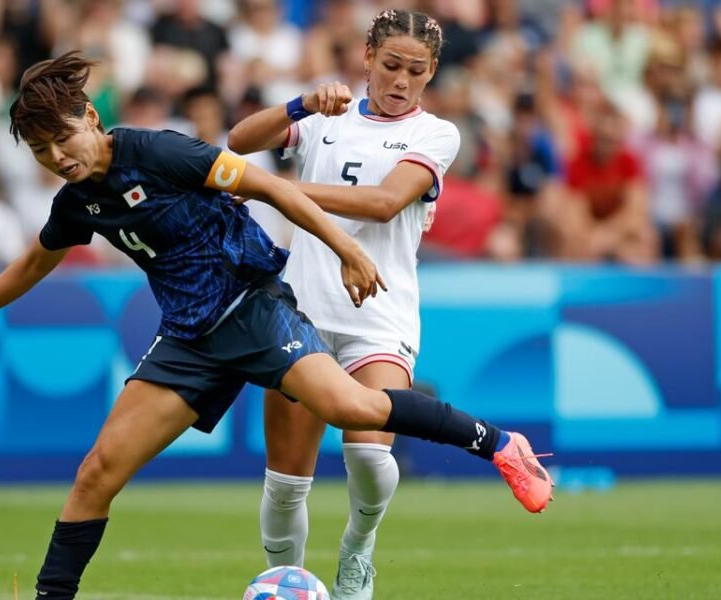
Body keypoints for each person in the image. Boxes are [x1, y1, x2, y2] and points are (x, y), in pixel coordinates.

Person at [0, 51, 552, 600]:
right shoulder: (78, 199)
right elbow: (35, 260)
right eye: (40, 149)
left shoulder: (158, 152)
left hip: (255, 308)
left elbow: (271, 188)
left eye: (62, 137)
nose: (56, 155)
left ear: (91, 118)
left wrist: (347, 248)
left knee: (351, 407)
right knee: (97, 473)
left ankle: (497, 443)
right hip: (187, 339)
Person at [227, 9, 549, 599]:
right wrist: (299, 106)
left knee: (370, 458)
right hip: (300, 310)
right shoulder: (329, 119)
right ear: (368, 56)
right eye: (392, 65)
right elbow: (239, 142)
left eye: (416, 71)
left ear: (432, 74)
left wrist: (275, 188)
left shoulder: (436, 134)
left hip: (380, 310)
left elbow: (379, 203)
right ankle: (286, 584)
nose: (401, 81)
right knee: (284, 483)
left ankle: (358, 548)